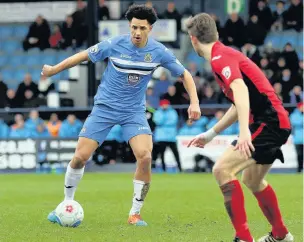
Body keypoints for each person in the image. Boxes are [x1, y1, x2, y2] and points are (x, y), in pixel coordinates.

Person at [41, 4, 201, 226]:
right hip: (104, 108)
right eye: (134, 27)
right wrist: (53, 70)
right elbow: (82, 56)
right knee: (80, 157)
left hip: (133, 112)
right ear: (129, 26)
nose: (137, 32)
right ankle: (67, 203)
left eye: (142, 28)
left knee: (145, 156)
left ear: (150, 29)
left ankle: (135, 214)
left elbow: (185, 75)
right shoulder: (114, 44)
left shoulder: (159, 52)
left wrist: (194, 102)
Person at [186, 13, 293, 242]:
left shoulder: (219, 58)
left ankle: (243, 238)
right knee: (252, 180)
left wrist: (245, 132)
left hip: (269, 122)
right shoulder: (223, 55)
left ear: (193, 39)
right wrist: (211, 133)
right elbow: (238, 104)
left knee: (221, 170)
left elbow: (241, 91)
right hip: (273, 121)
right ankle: (281, 235)